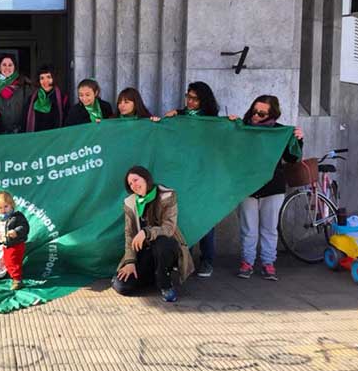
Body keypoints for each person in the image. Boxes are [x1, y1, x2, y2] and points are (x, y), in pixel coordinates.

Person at [229, 95, 304, 281]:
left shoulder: (280, 132)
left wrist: (298, 139)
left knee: (269, 228)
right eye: (254, 111)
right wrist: (229, 126)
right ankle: (247, 262)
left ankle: (268, 263)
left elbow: (293, 158)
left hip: (273, 187)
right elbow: (229, 150)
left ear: (273, 115)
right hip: (247, 187)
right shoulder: (243, 129)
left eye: (261, 113)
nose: (255, 116)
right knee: (248, 229)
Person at [112, 166, 194, 302]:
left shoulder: (167, 195)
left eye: (136, 180)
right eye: (130, 183)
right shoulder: (130, 203)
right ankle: (151, 276)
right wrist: (130, 261)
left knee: (163, 243)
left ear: (146, 178)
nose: (133, 185)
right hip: (144, 252)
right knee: (121, 286)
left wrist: (146, 232)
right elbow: (129, 234)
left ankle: (164, 283)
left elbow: (169, 228)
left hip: (166, 247)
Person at [164, 81, 219, 277]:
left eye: (194, 98)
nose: (190, 101)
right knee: (184, 220)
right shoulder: (179, 116)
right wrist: (166, 119)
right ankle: (185, 258)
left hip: (204, 179)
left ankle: (207, 261)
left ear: (203, 100)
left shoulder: (213, 121)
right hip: (184, 178)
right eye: (188, 96)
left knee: (206, 221)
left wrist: (233, 122)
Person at [0, 191, 30, 290]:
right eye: (0, 207)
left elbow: (24, 227)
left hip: (16, 244)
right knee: (8, 262)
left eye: (6, 206)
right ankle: (14, 276)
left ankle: (17, 280)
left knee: (12, 261)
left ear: (12, 205)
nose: (3, 210)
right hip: (5, 244)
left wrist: (16, 231)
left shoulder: (17, 216)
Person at [0, 54, 31, 134]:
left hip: (20, 134)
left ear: (15, 67)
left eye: (10, 65)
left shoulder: (25, 87)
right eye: (4, 65)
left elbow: (29, 112)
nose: (7, 68)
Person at [24, 65, 69, 132]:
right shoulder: (31, 99)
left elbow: (66, 125)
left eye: (49, 77)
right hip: (36, 139)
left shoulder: (63, 100)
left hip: (55, 140)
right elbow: (24, 122)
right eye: (42, 78)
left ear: (54, 78)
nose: (45, 81)